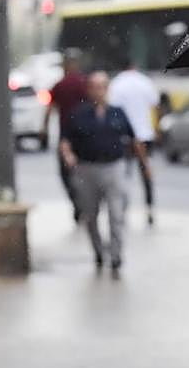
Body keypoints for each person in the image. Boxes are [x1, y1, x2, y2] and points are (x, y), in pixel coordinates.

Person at [59, 72, 137, 276]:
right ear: (89, 89)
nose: (98, 91)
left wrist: (144, 164)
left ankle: (116, 255)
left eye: (102, 86)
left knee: (116, 214)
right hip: (87, 168)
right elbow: (65, 140)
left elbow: (132, 138)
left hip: (113, 167)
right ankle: (98, 251)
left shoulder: (117, 113)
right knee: (90, 215)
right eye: (94, 86)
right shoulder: (78, 114)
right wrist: (69, 156)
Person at [108, 60, 160, 226]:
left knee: (124, 175)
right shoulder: (145, 82)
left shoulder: (116, 84)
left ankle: (123, 209)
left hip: (125, 137)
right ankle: (149, 208)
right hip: (145, 135)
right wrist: (156, 129)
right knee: (146, 173)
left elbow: (112, 111)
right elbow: (155, 105)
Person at [43, 49, 91, 221]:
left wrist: (44, 129)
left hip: (66, 137)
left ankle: (77, 202)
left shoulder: (59, 85)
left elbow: (50, 108)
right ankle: (84, 202)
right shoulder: (85, 83)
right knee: (85, 171)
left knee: (65, 173)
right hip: (85, 136)